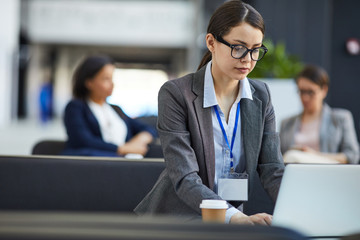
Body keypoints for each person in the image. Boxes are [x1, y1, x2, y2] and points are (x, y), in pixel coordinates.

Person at [134, 0, 284, 225]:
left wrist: (298, 209)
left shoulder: (261, 95)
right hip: (177, 218)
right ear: (211, 42)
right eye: (238, 47)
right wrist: (235, 218)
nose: (247, 59)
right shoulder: (176, 94)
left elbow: (272, 169)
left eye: (255, 50)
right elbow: (185, 177)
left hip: (232, 220)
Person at [62, 55, 157, 157]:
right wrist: (123, 148)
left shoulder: (115, 109)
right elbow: (82, 140)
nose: (112, 84)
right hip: (96, 165)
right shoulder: (76, 107)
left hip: (125, 165)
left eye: (112, 78)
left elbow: (148, 128)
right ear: (89, 82)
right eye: (106, 79)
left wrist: (139, 141)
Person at [280, 65, 359, 164]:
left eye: (310, 92)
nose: (305, 98)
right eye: (301, 91)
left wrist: (313, 155)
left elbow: (352, 156)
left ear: (324, 90)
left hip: (329, 176)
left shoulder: (341, 118)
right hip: (295, 176)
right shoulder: (286, 123)